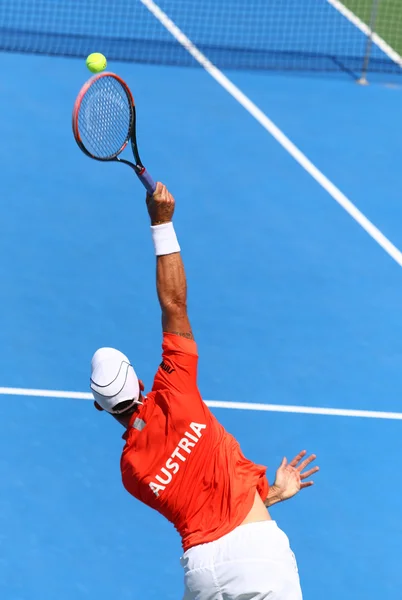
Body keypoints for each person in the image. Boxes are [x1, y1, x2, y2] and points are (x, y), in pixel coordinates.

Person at [90, 182, 319, 600]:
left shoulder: (132, 472)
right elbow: (174, 306)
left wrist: (272, 494)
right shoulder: (173, 389)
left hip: (201, 574)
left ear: (98, 406)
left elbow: (211, 517)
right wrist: (162, 223)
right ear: (139, 382)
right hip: (258, 558)